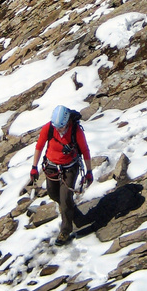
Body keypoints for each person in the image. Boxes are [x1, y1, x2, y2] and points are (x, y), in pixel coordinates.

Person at [30, 105, 93, 244]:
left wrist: (89, 171)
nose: (59, 130)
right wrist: (34, 167)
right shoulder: (49, 128)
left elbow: (85, 151)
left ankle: (65, 230)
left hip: (69, 169)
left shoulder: (76, 131)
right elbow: (39, 146)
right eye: (57, 127)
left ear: (67, 122)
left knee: (64, 199)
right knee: (53, 194)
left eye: (61, 127)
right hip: (51, 167)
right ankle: (73, 212)